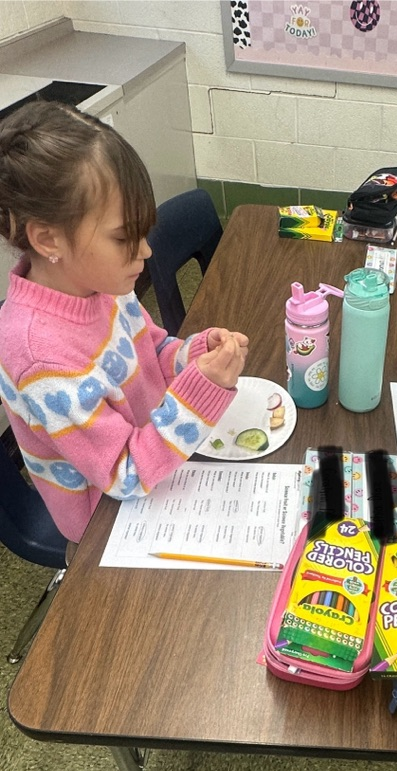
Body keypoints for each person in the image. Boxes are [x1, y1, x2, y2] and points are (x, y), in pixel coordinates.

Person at [0, 100, 248, 542]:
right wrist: (201, 393)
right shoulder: (42, 359)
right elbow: (125, 475)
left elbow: (151, 351)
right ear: (47, 237)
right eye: (123, 238)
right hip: (110, 521)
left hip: (159, 456)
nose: (146, 252)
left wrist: (196, 354)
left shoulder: (99, 285)